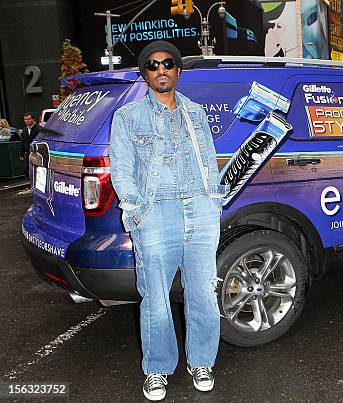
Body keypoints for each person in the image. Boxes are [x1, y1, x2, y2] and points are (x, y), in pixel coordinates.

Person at [109, 41, 226, 401]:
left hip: (200, 211)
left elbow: (208, 160)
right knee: (155, 298)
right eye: (153, 64)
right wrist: (137, 211)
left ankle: (201, 361)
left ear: (177, 70)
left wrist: (213, 202)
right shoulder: (128, 117)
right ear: (145, 74)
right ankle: (158, 369)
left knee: (204, 294)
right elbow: (122, 170)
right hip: (156, 213)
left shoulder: (195, 112)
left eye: (168, 63)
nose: (161, 69)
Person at [20, 112, 40, 178]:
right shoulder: (25, 129)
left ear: (33, 119)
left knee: (36, 170)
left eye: (28, 119)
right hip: (28, 152)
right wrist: (21, 153)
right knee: (27, 170)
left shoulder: (38, 129)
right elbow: (23, 142)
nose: (27, 121)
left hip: (37, 153)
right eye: (25, 119)